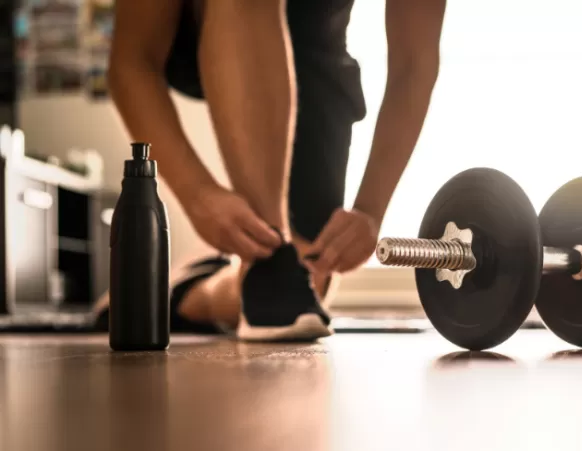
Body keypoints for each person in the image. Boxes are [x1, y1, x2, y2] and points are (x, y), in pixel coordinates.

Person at [99, 0, 446, 341]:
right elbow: (132, 60)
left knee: (310, 278)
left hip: (314, 46)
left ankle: (182, 291)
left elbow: (413, 63)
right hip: (196, 23)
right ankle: (270, 259)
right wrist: (196, 193)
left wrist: (370, 210)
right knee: (277, 286)